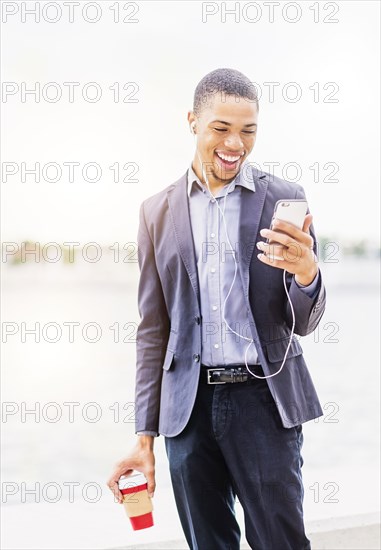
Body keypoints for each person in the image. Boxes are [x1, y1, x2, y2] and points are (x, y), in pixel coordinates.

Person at [107, 68, 326, 550]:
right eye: (221, 129)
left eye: (248, 130)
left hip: (264, 401)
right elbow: (152, 331)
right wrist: (144, 437)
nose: (236, 144)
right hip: (188, 412)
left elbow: (305, 323)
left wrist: (308, 274)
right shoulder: (155, 212)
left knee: (282, 542)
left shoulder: (284, 199)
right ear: (193, 122)